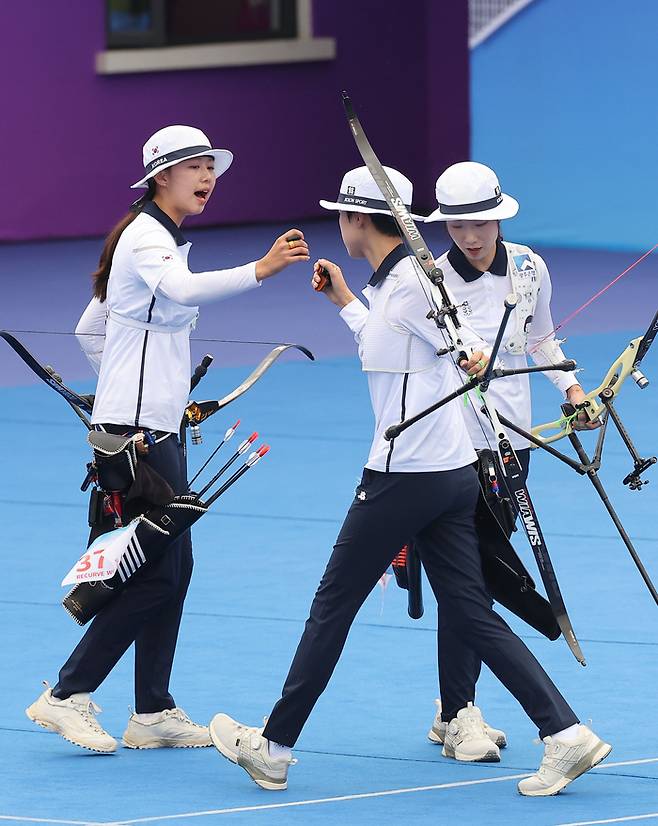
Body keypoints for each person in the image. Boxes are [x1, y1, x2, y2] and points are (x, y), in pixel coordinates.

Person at [207, 165, 611, 797]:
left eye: (341, 216)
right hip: (451, 474)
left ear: (359, 220)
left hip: (402, 476)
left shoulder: (414, 285)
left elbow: (456, 336)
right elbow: (395, 337)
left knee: (332, 605)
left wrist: (475, 353)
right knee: (473, 610)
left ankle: (274, 748)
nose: (337, 226)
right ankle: (565, 734)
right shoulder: (400, 283)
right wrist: (344, 302)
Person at [26, 124, 310, 753]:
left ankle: (151, 709)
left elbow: (88, 328)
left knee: (175, 567)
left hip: (152, 427)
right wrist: (261, 269)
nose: (208, 178)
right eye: (195, 168)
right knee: (153, 573)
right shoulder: (148, 237)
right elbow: (178, 294)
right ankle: (67, 694)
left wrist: (148, 396)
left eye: (212, 168)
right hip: (137, 440)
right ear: (161, 176)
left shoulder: (160, 239)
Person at [421, 161, 599, 759]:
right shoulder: (430, 279)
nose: (469, 237)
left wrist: (573, 392)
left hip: (514, 445)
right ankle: (459, 711)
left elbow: (542, 338)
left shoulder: (528, 266)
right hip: (452, 448)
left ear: (499, 216)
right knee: (467, 579)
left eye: (480, 223)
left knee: (480, 581)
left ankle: (452, 711)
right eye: (456, 226)